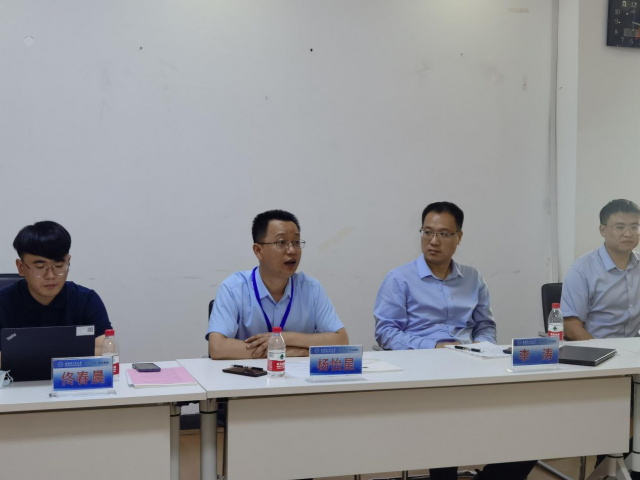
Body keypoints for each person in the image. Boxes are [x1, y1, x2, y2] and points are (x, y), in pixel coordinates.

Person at [374, 201, 536, 480]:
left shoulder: (473, 278)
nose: (433, 241)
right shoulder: (399, 279)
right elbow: (386, 332)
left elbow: (485, 325)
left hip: (470, 365)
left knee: (528, 422)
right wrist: (434, 346)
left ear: (459, 237)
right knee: (443, 421)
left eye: (444, 234)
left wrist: (482, 348)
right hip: (422, 370)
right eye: (427, 232)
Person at [207, 209, 348, 360]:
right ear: (258, 250)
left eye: (296, 242)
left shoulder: (311, 288)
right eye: (281, 242)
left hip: (297, 374)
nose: (292, 250)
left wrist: (286, 338)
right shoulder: (233, 289)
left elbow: (341, 341)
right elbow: (217, 348)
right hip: (248, 374)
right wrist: (287, 352)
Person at [0, 221, 112, 356]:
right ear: (21, 267)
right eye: (40, 267)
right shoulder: (3, 303)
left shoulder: (86, 300)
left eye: (58, 266)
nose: (50, 276)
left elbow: (107, 350)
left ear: (68, 261)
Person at [561, 199, 640, 340]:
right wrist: (602, 350)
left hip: (634, 347)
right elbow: (570, 326)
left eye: (634, 227)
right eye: (620, 227)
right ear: (603, 230)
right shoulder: (582, 270)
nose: (628, 234)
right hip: (596, 347)